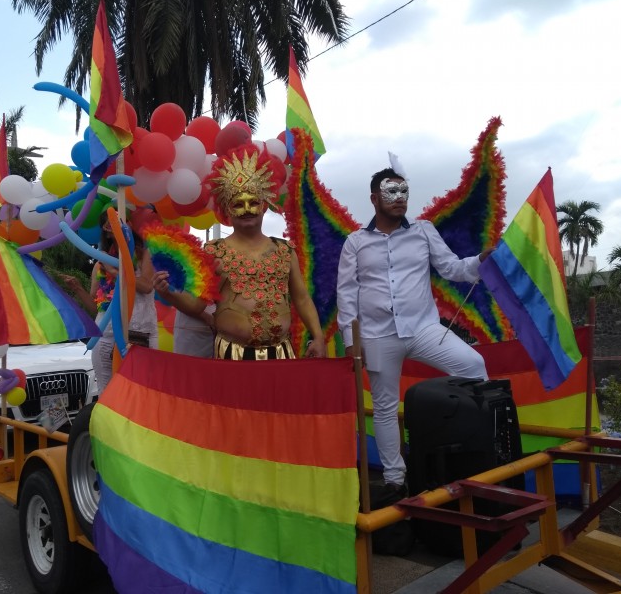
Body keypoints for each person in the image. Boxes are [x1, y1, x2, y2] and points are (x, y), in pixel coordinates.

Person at [336, 167, 491, 499]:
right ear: (374, 198)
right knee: (385, 406)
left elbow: (451, 268)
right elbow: (346, 294)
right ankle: (395, 479)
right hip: (377, 336)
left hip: (424, 329)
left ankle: (478, 457)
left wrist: (481, 260)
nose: (399, 199)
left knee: (474, 368)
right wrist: (351, 342)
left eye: (403, 192)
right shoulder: (356, 242)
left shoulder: (423, 231)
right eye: (391, 192)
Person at [154, 145, 326, 360]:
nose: (247, 210)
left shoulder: (284, 250)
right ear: (227, 209)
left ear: (264, 205)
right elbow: (197, 304)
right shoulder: (214, 252)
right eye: (238, 204)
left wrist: (318, 337)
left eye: (253, 202)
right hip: (230, 356)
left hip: (282, 355)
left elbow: (301, 298)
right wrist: (167, 293)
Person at [62, 214, 157, 394]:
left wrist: (114, 271)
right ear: (106, 233)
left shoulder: (143, 255)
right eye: (110, 225)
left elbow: (146, 286)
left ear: (129, 224)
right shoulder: (100, 264)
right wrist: (77, 288)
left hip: (139, 333)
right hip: (105, 335)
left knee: (141, 390)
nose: (115, 227)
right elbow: (95, 306)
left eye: (121, 221)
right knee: (107, 391)